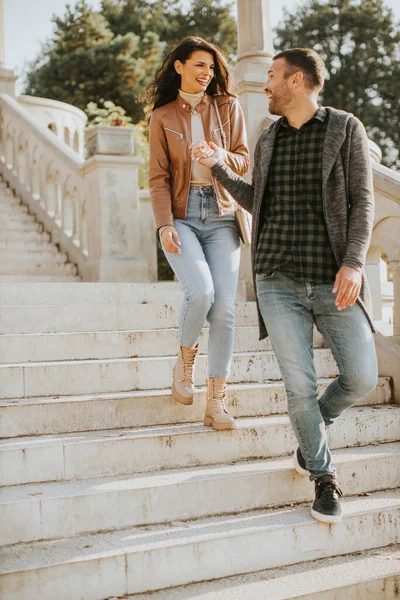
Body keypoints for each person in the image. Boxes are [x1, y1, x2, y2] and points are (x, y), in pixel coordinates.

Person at [192, 48, 378, 522]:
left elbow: (362, 201)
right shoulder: (268, 137)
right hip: (277, 279)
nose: (266, 85)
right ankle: (324, 477)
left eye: (273, 76)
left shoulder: (344, 128)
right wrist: (219, 168)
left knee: (361, 377)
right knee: (299, 387)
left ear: (296, 81)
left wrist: (354, 263)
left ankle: (310, 430)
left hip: (333, 276)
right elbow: (259, 201)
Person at [147, 36, 249, 430]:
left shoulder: (228, 107)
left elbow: (242, 159)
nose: (207, 73)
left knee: (224, 309)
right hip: (183, 215)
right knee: (201, 292)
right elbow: (157, 178)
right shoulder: (162, 117)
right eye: (198, 66)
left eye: (211, 67)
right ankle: (184, 363)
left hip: (224, 216)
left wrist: (218, 155)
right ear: (179, 67)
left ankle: (217, 402)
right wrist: (164, 224)